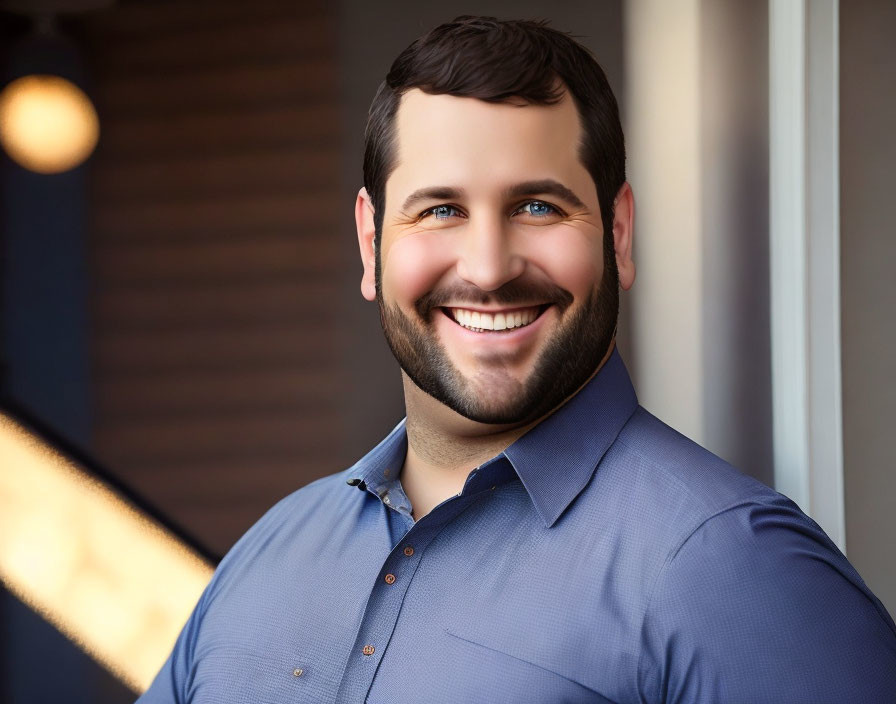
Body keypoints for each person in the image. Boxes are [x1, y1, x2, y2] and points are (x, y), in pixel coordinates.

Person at [138, 16, 896, 704]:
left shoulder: (737, 574)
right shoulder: (271, 550)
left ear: (618, 233)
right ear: (371, 244)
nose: (490, 266)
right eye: (441, 210)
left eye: (538, 206)